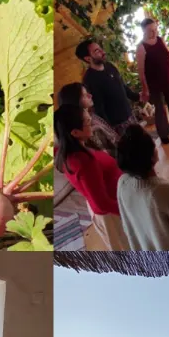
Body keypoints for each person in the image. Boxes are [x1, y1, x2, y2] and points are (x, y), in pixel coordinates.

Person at [54, 103, 128, 250]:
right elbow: (102, 204)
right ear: (75, 132)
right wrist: (129, 210)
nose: (92, 124)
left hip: (111, 208)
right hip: (112, 215)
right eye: (88, 122)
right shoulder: (82, 161)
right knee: (126, 249)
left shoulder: (73, 150)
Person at [136, 17, 169, 144]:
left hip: (168, 79)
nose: (154, 33)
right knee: (160, 108)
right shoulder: (141, 47)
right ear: (143, 31)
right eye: (150, 30)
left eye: (155, 29)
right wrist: (145, 89)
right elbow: (141, 71)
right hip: (154, 85)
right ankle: (164, 133)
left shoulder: (160, 40)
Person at [76, 38, 140, 135]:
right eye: (97, 51)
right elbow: (99, 108)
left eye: (100, 48)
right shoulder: (90, 79)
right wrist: (109, 129)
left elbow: (122, 86)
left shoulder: (109, 66)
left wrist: (137, 96)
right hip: (117, 124)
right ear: (88, 58)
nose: (102, 51)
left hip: (129, 115)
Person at [57, 83, 120, 154]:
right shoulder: (87, 128)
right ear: (74, 101)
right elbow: (105, 153)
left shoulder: (91, 115)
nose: (90, 95)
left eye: (88, 93)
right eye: (84, 95)